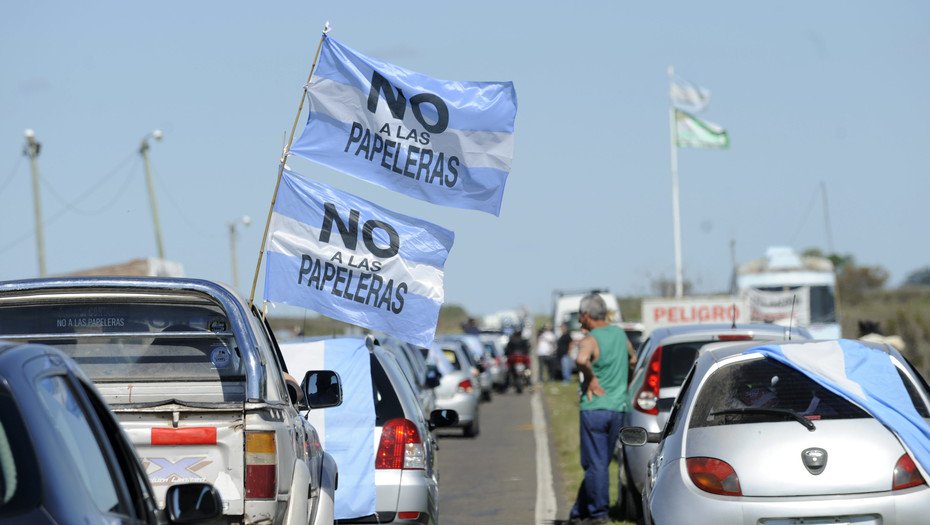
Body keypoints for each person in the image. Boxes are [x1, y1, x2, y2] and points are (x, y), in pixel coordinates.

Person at [568, 294, 637, 525]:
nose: (579, 321)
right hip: (618, 407)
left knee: (594, 464)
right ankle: (579, 512)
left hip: (594, 408)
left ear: (587, 315)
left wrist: (592, 379)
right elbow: (634, 359)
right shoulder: (620, 334)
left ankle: (598, 514)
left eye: (580, 316)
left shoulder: (591, 338)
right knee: (601, 463)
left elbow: (581, 359)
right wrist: (625, 384)